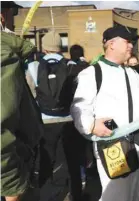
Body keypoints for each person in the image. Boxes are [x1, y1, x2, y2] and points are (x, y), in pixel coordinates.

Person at [71, 26, 139, 201]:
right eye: (127, 41)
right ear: (111, 44)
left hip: (138, 141)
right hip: (113, 144)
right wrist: (91, 125)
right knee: (115, 195)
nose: (131, 46)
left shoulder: (132, 73)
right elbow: (79, 107)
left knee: (134, 194)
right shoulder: (92, 73)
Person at [26, 31, 78, 201]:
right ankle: (75, 192)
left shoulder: (33, 66)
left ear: (45, 47)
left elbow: (31, 95)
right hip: (69, 119)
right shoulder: (72, 65)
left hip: (45, 120)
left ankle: (47, 194)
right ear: (60, 47)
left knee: (47, 159)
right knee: (71, 158)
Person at [1, 2, 43, 201]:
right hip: (9, 176)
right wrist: (11, 186)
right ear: (3, 16)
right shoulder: (4, 54)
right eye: (14, 13)